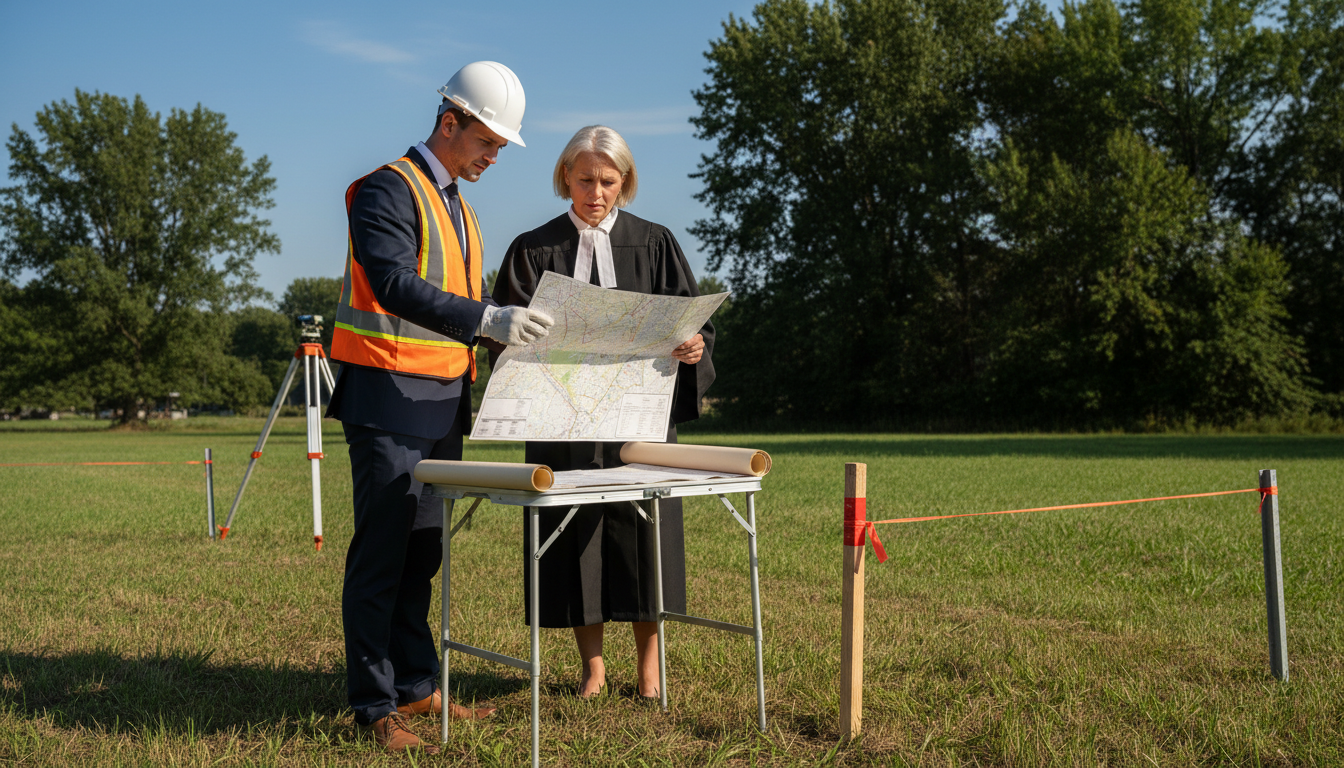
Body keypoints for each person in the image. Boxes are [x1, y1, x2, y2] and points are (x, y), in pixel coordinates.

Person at [326, 61, 554, 754]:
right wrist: (490, 319)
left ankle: (417, 686)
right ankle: (373, 705)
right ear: (449, 122)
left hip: (441, 401)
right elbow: (393, 283)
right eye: (488, 142)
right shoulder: (386, 190)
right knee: (382, 556)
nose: (493, 156)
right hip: (387, 396)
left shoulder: (459, 202)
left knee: (421, 555)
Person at [491, 125, 715, 700]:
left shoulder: (656, 242)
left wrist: (694, 346)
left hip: (640, 420)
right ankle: (593, 669)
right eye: (585, 179)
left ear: (625, 182)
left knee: (646, 537)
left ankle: (649, 668)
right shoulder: (533, 248)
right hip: (560, 420)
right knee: (576, 537)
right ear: (566, 175)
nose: (596, 192)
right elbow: (502, 335)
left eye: (608, 181)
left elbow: (694, 325)